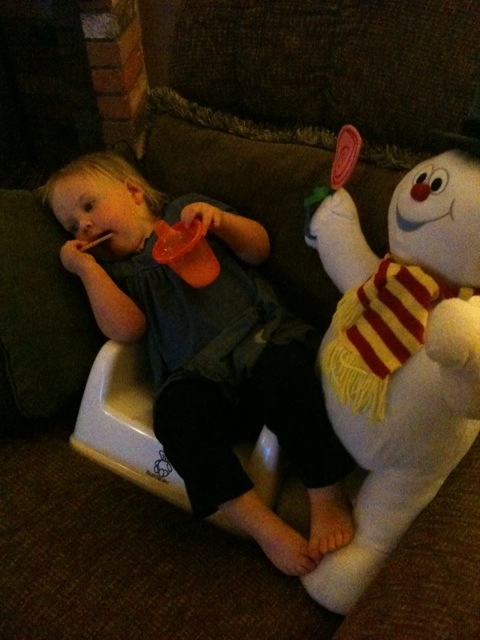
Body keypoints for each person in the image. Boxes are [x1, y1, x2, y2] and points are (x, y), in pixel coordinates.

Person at [41, 151, 355, 577]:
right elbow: (127, 329)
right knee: (174, 418)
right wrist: (86, 270)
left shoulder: (185, 212)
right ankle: (259, 526)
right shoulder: (118, 273)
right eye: (72, 226)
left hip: (258, 341)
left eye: (89, 205)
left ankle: (325, 492)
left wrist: (220, 222)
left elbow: (259, 249)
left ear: (134, 192)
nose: (84, 226)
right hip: (199, 380)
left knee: (289, 376)